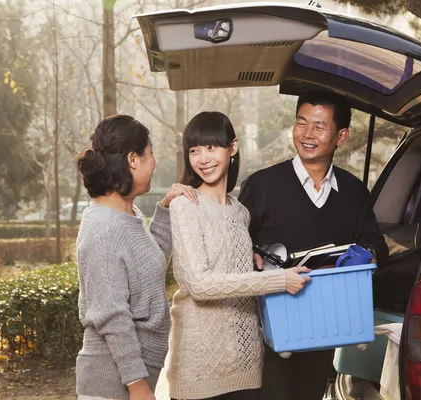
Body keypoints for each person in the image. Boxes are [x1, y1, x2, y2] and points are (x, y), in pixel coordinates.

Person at [238, 91, 389, 400]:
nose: (307, 134)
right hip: (272, 335)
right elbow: (236, 245)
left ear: (341, 136)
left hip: (325, 331)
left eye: (319, 126)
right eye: (301, 123)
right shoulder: (262, 186)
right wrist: (249, 254)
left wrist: (363, 257)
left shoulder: (353, 192)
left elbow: (375, 244)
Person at [166, 111, 312, 400]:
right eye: (194, 150)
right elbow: (200, 285)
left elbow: (237, 278)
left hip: (246, 364)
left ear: (232, 147)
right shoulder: (185, 206)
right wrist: (278, 281)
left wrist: (261, 268)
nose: (203, 158)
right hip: (200, 368)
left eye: (211, 147)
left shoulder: (240, 212)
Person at [75, 114, 197, 400]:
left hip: (138, 379)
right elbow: (112, 315)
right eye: (150, 153)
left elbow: (148, 264)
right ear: (133, 160)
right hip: (113, 386)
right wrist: (136, 384)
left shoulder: (126, 214)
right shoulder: (103, 227)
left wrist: (165, 209)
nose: (154, 162)